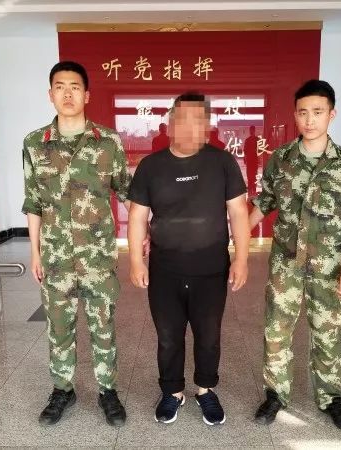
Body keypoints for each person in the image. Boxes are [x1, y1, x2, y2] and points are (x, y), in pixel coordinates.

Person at [249, 80, 341, 431]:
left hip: (329, 266)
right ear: (295, 115)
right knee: (276, 331)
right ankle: (276, 395)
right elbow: (263, 204)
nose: (310, 120)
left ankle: (331, 399)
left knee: (327, 332)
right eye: (303, 112)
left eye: (317, 112)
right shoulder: (281, 159)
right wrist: (232, 236)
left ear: (332, 114)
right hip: (285, 263)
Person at [127, 92, 250, 426]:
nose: (190, 127)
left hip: (211, 269)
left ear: (207, 126)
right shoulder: (151, 166)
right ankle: (173, 392)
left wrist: (241, 259)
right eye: (182, 119)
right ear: (170, 123)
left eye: (198, 120)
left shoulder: (222, 163)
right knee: (168, 336)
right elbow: (137, 216)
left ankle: (205, 390)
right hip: (165, 269)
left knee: (208, 335)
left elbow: (238, 213)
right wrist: (136, 260)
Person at [22, 61, 130, 427]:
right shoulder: (35, 143)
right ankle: (62, 390)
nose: (67, 94)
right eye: (60, 87)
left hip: (98, 257)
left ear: (87, 95)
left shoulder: (108, 142)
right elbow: (33, 202)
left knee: (103, 326)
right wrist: (35, 252)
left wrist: (146, 236)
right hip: (55, 257)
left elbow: (128, 193)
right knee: (58, 327)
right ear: (50, 94)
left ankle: (108, 391)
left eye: (74, 87)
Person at [243, 125, 260, 195]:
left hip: (252, 160)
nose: (251, 131)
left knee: (252, 175)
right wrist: (245, 159)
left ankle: (252, 190)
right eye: (251, 130)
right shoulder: (255, 139)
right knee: (251, 176)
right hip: (251, 160)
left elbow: (245, 151)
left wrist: (245, 159)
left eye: (252, 130)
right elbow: (245, 151)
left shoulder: (254, 140)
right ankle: (251, 190)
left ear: (253, 131)